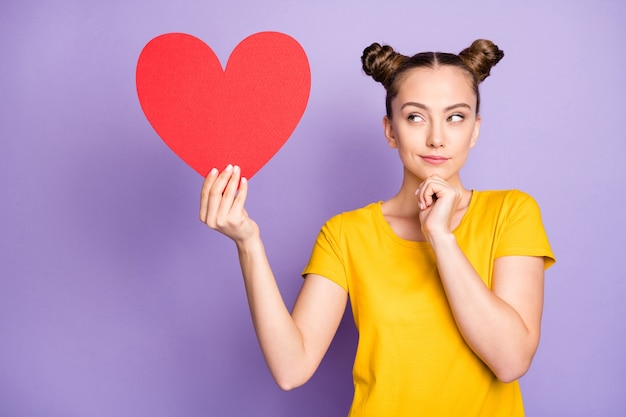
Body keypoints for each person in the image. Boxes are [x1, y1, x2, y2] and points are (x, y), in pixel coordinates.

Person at [199, 39, 555, 416]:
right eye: (415, 116)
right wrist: (248, 243)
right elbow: (291, 368)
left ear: (475, 130)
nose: (436, 136)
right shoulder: (346, 234)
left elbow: (511, 361)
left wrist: (441, 238)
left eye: (455, 117)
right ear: (390, 130)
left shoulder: (511, 212)